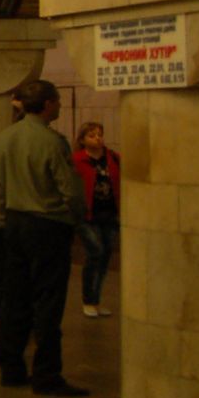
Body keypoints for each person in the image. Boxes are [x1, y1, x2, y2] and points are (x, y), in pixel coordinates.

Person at [0, 79, 87, 396]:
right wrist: (76, 220)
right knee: (48, 301)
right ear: (46, 104)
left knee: (15, 298)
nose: (59, 106)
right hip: (47, 226)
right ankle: (46, 374)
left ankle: (11, 367)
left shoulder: (5, 138)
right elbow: (70, 190)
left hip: (15, 224)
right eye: (57, 101)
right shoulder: (52, 142)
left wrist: (4, 221)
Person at [72, 122, 120, 319]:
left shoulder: (112, 158)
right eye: (92, 135)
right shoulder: (77, 160)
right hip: (87, 216)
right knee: (96, 252)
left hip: (109, 214)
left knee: (106, 255)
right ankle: (88, 299)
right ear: (82, 140)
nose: (98, 138)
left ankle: (97, 300)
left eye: (100, 134)